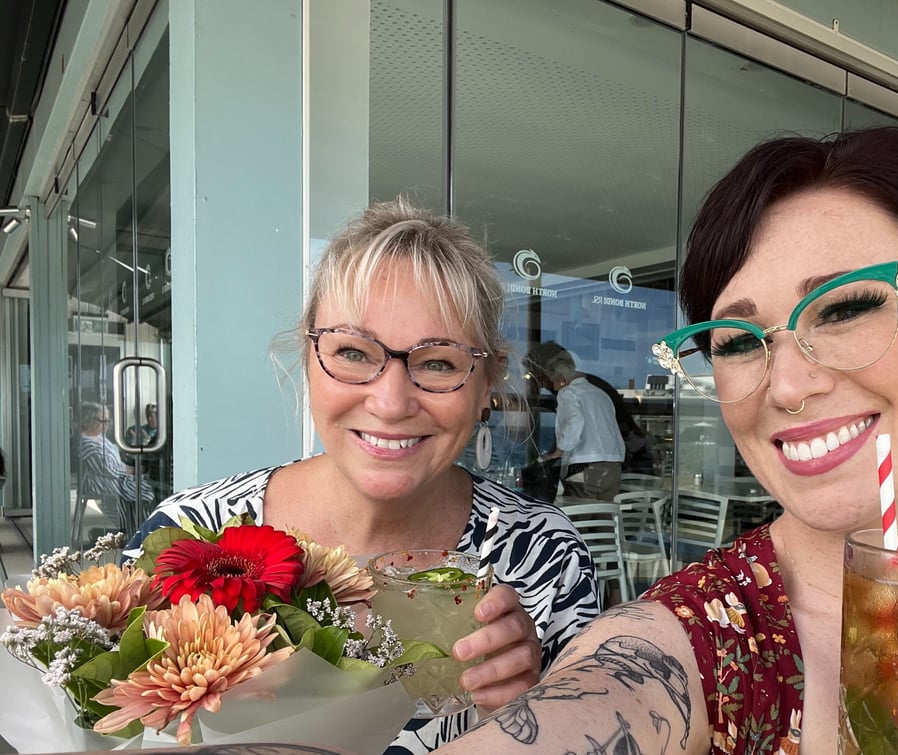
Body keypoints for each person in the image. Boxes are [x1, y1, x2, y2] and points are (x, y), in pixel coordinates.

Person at [438, 128, 898, 753]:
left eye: (842, 308)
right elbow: (590, 704)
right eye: (737, 340)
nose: (788, 385)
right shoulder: (701, 634)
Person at [124, 199, 602, 753]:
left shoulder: (545, 559)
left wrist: (536, 717)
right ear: (308, 356)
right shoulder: (188, 533)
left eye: (440, 362)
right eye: (352, 351)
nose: (392, 401)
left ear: (487, 382)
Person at [523, 342, 626, 500]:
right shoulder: (601, 394)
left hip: (585, 467)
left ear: (562, 379)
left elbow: (575, 423)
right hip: (613, 465)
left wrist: (559, 452)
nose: (554, 388)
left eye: (553, 382)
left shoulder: (567, 393)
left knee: (579, 520)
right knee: (604, 519)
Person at [77, 402, 157, 532]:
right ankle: (137, 530)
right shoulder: (86, 443)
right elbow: (110, 469)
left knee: (148, 488)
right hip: (103, 482)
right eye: (103, 420)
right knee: (145, 493)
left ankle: (139, 528)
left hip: (117, 477)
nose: (107, 425)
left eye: (108, 421)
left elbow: (117, 462)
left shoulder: (99, 437)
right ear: (88, 420)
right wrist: (134, 471)